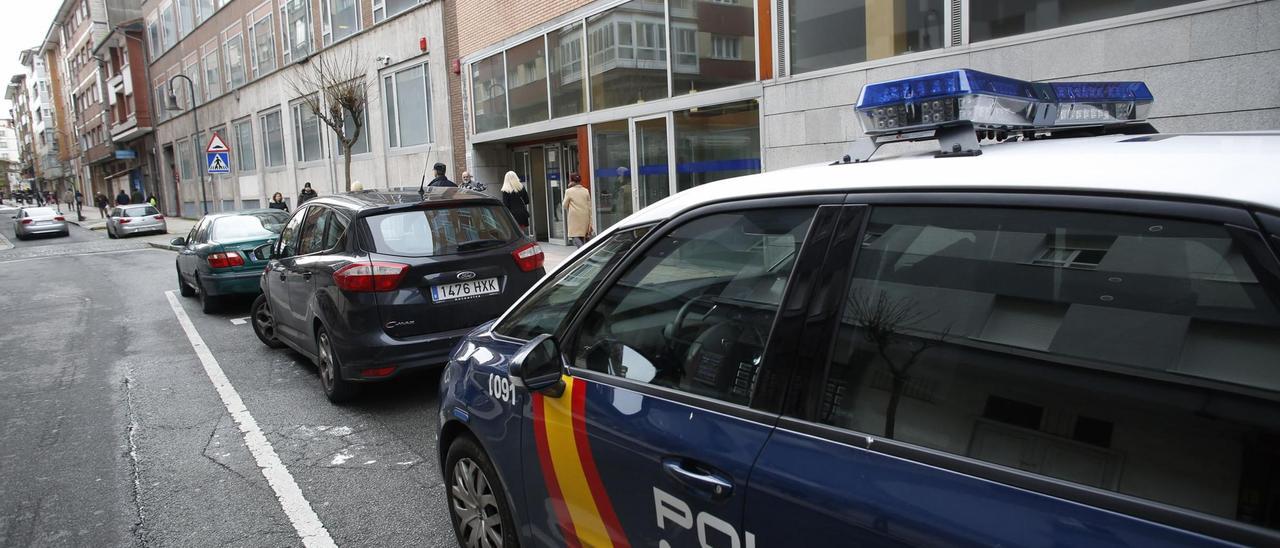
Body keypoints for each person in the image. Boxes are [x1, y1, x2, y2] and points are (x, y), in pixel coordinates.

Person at [563, 173, 592, 247]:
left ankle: (582, 252)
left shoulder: (569, 191)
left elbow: (564, 205)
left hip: (574, 217)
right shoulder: (586, 191)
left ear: (571, 181)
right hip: (585, 216)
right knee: (582, 235)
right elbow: (589, 206)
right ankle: (583, 250)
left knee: (575, 235)